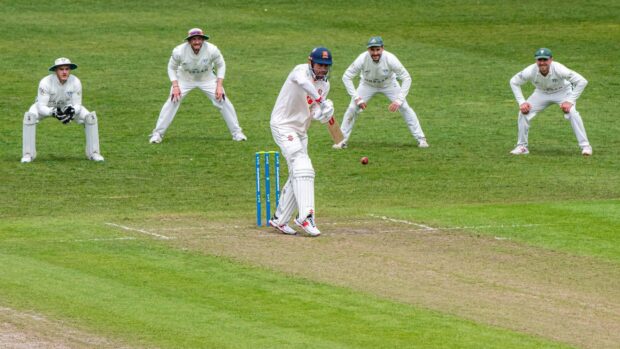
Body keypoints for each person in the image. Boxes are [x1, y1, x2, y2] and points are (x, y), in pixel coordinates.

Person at [267, 47, 335, 237]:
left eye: (326, 66)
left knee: (298, 173)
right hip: (283, 125)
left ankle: (279, 219)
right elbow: (304, 84)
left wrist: (324, 113)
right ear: (310, 62)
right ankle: (305, 217)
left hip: (301, 130)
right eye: (320, 65)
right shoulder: (300, 71)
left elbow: (312, 112)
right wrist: (321, 100)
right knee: (304, 167)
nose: (323, 69)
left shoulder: (325, 85)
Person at [149, 28, 246, 144]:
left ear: (203, 40)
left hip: (207, 79)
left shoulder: (212, 49)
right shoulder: (179, 51)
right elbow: (171, 67)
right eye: (194, 39)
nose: (197, 42)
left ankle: (237, 133)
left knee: (223, 100)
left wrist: (219, 86)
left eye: (199, 39)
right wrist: (175, 86)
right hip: (185, 79)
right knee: (172, 101)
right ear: (189, 41)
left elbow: (221, 65)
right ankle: (157, 134)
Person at [334, 36, 428, 149]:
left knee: (405, 107)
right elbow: (346, 76)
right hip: (367, 84)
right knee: (352, 108)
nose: (375, 53)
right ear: (368, 50)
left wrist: (399, 100)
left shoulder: (390, 58)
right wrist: (357, 98)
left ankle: (421, 139)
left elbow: (406, 78)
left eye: (377, 49)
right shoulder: (362, 58)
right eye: (372, 50)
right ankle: (341, 140)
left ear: (382, 48)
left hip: (389, 84)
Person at [509, 48, 592, 156]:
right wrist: (522, 102)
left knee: (571, 112)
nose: (542, 62)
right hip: (541, 93)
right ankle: (522, 147)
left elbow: (582, 81)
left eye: (545, 59)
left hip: (563, 91)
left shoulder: (559, 69)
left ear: (551, 59)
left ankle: (586, 146)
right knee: (523, 112)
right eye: (539, 60)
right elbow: (514, 81)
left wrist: (570, 101)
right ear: (536, 61)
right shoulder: (530, 71)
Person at [21, 57, 104, 163]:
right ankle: (28, 154)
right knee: (29, 117)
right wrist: (53, 112)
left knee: (90, 118)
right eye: (61, 69)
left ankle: (94, 153)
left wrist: (72, 110)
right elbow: (41, 107)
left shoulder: (76, 81)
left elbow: (78, 104)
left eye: (67, 69)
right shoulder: (45, 82)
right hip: (47, 106)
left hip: (67, 106)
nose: (64, 72)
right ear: (55, 70)